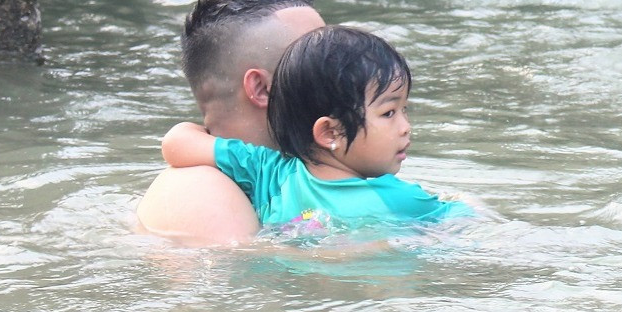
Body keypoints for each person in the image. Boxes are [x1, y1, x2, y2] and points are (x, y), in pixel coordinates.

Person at [161, 25, 469, 234]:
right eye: (389, 113)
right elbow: (470, 225)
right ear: (330, 133)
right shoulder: (401, 199)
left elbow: (175, 143)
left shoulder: (266, 173)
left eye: (404, 110)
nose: (405, 127)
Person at [134, 0, 325, 244]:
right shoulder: (200, 191)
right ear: (261, 88)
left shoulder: (303, 172)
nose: (339, 67)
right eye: (320, 57)